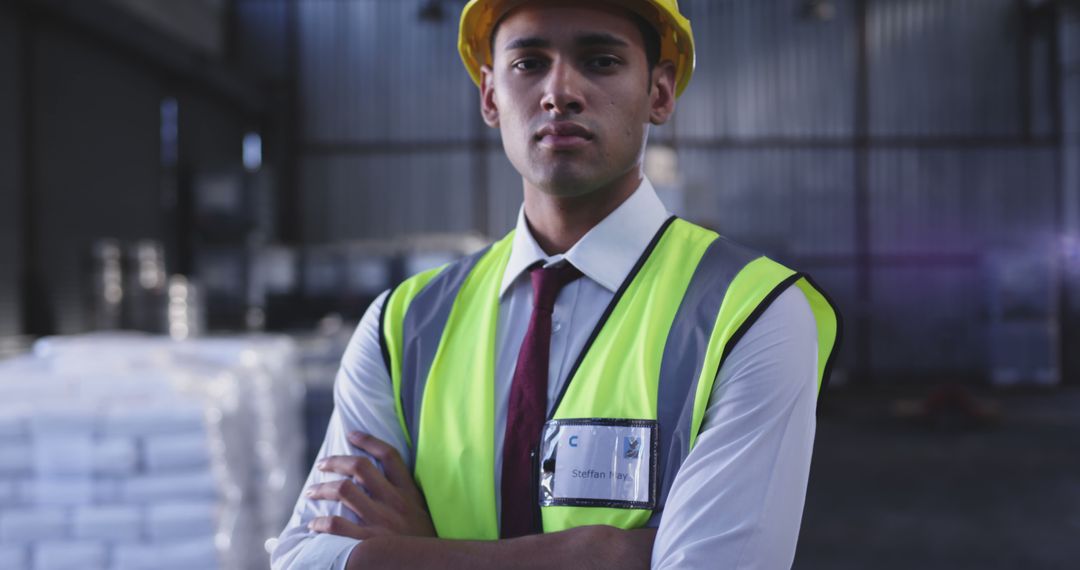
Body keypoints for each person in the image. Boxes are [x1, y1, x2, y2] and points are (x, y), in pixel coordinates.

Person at [272, 0, 841, 568]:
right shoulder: (401, 326)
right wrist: (605, 553)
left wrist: (413, 555)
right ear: (490, 96)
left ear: (660, 93)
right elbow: (303, 558)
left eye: (600, 60)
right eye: (528, 64)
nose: (559, 92)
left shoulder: (754, 314)